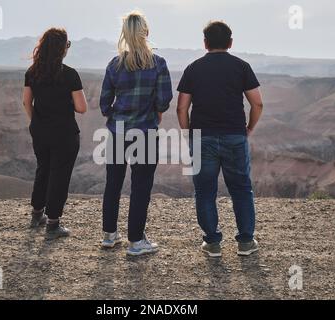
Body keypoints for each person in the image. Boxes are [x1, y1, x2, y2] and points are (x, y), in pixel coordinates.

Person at [177, 21, 264, 257]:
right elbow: (257, 102)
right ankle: (246, 242)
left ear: (205, 43)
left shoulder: (193, 68)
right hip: (235, 135)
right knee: (241, 189)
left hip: (202, 137)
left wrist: (188, 134)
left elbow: (181, 109)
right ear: (230, 42)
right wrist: (249, 128)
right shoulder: (241, 66)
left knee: (205, 191)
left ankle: (212, 243)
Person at [99, 11, 173, 256]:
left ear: (125, 34)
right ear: (146, 32)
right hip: (145, 132)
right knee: (140, 187)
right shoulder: (158, 63)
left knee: (113, 184)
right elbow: (164, 100)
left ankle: (109, 236)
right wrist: (153, 111)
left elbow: (103, 103)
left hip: (118, 131)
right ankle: (135, 241)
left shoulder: (114, 64)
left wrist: (116, 114)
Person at [23, 28, 87, 240]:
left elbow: (26, 101)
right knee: (59, 175)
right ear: (62, 49)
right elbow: (81, 107)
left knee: (43, 169)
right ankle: (53, 223)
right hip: (65, 133)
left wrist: (37, 121)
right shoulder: (69, 74)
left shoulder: (32, 72)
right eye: (67, 45)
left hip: (40, 131)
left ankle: (36, 215)